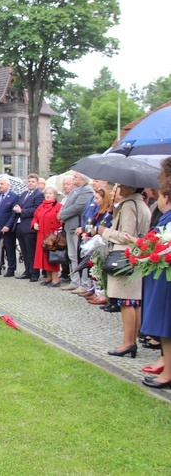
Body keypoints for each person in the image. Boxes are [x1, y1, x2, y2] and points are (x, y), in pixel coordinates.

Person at [99, 183, 151, 359]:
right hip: (137, 255)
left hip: (124, 256)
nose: (119, 188)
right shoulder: (142, 204)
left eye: (123, 185)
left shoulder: (129, 205)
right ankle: (131, 340)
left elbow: (126, 235)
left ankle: (128, 342)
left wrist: (106, 232)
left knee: (126, 300)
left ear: (132, 187)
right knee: (134, 300)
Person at [136, 159, 171, 387]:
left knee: (166, 325)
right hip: (162, 270)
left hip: (166, 274)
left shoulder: (167, 209)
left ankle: (168, 374)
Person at [56, 172, 93, 292]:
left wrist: (62, 214)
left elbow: (79, 207)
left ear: (83, 179)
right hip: (69, 226)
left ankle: (84, 283)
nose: (73, 179)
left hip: (77, 226)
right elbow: (66, 204)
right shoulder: (75, 190)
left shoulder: (86, 191)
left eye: (75, 177)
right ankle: (75, 280)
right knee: (72, 256)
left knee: (80, 256)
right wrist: (61, 213)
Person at [14, 173, 45, 281]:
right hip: (21, 226)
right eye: (29, 181)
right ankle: (27, 270)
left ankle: (34, 273)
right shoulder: (23, 194)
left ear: (37, 183)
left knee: (31, 251)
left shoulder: (39, 194)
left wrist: (22, 211)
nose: (30, 183)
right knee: (24, 251)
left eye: (33, 182)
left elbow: (36, 209)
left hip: (30, 227)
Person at [31, 186, 63, 287]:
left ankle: (55, 279)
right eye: (46, 193)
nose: (48, 195)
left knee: (53, 257)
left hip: (52, 236)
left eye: (50, 193)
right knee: (44, 257)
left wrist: (59, 230)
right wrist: (34, 224)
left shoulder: (58, 206)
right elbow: (35, 217)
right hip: (41, 235)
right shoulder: (41, 206)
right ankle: (48, 277)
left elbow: (61, 220)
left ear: (55, 195)